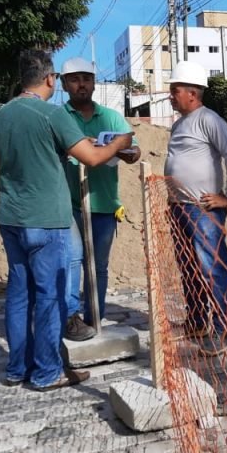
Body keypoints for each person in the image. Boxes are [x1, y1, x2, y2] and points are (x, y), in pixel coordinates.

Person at [0, 49, 133, 390]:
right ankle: (47, 372)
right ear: (51, 79)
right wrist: (121, 142)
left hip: (11, 216)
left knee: (19, 295)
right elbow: (93, 157)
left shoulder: (1, 114)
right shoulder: (52, 115)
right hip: (46, 219)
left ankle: (17, 368)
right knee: (49, 296)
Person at [164, 60, 227, 356]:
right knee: (189, 268)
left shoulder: (209, 119)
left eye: (175, 90)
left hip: (203, 209)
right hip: (180, 207)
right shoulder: (179, 124)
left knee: (212, 269)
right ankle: (197, 321)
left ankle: (224, 330)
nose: (171, 96)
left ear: (192, 93)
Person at [59, 57, 141, 340]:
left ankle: (95, 315)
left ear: (94, 83)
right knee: (72, 260)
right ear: (64, 84)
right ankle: (71, 317)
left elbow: (134, 151)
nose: (81, 84)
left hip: (104, 204)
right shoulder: (58, 117)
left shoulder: (112, 117)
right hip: (68, 205)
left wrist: (120, 149)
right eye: (74, 79)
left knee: (99, 267)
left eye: (86, 78)